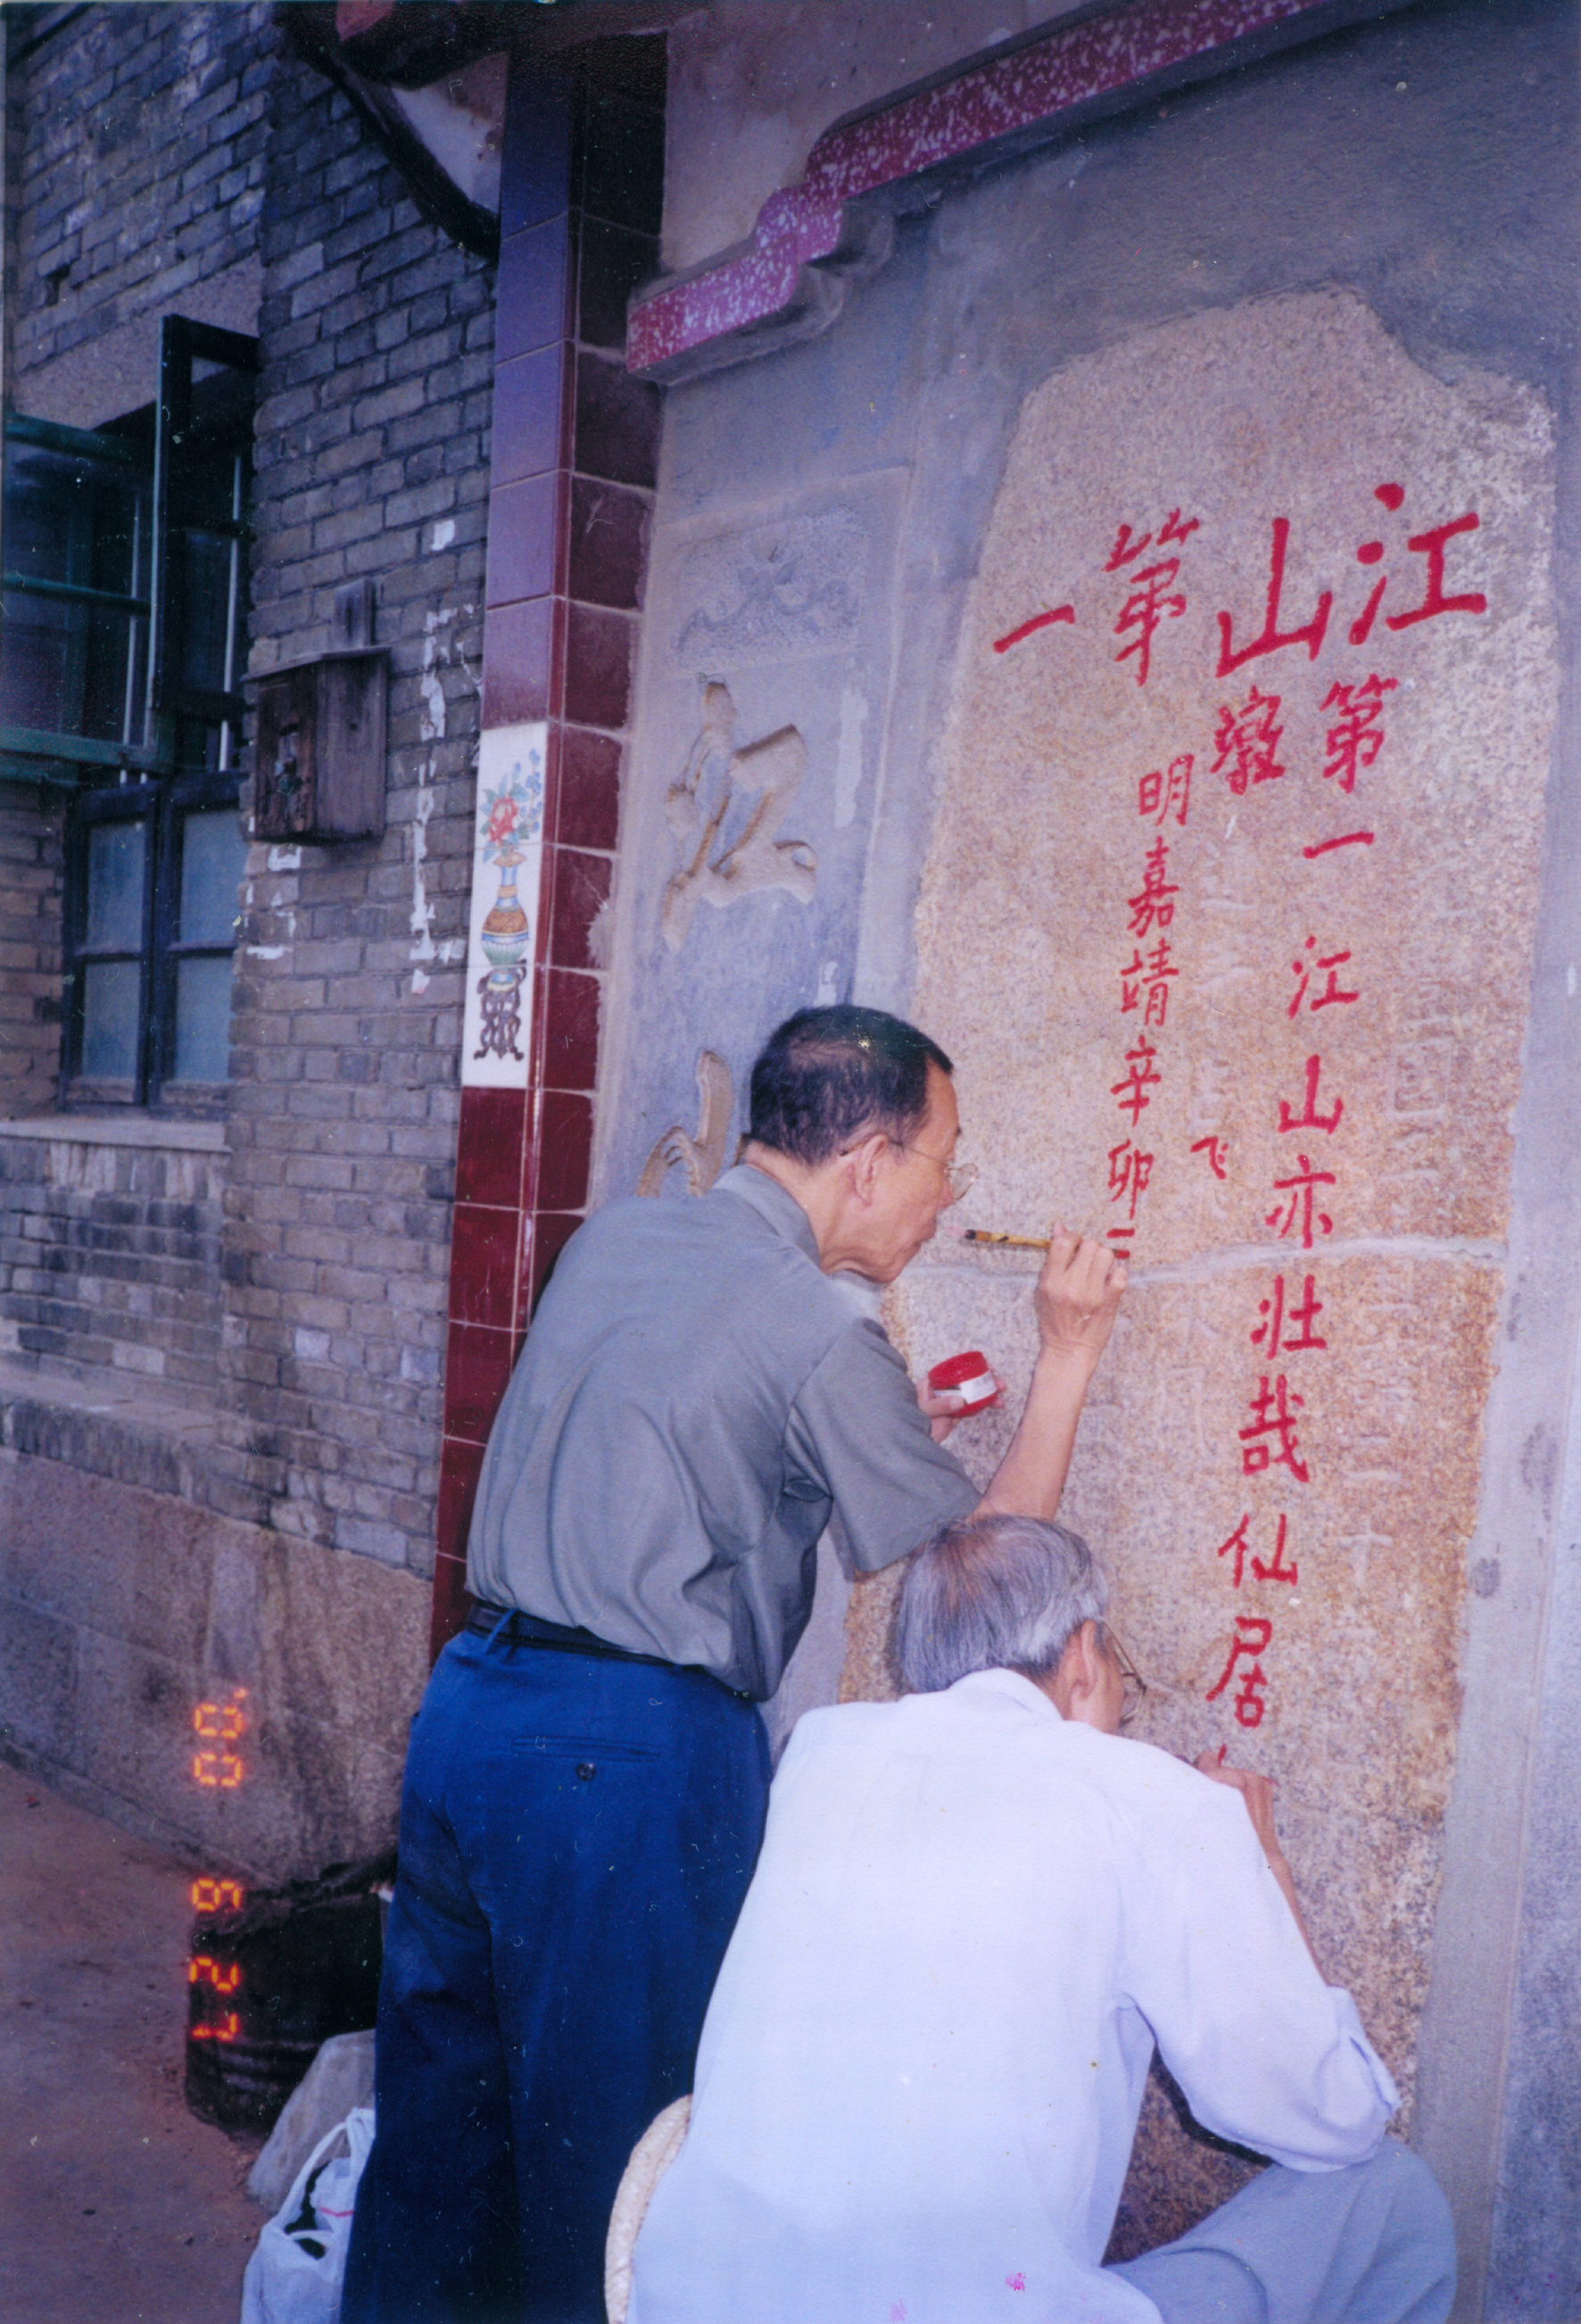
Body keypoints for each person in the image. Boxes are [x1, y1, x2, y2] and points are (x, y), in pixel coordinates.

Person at [344, 1006, 1127, 2324]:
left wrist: (843, 1434)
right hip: (625, 1764)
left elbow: (676, 1432)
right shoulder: (820, 1331)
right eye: (946, 1165)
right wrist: (1068, 1358)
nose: (947, 1203)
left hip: (471, 1714)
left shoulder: (622, 1237)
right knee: (621, 2187)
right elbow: (984, 1582)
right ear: (871, 1161)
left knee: (441, 2170)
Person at [626, 1514, 1456, 2324]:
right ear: (1085, 1652)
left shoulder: (818, 1752)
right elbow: (1331, 2119)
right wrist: (1266, 1873)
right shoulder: (1151, 1798)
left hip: (696, 2301)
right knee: (1393, 2198)